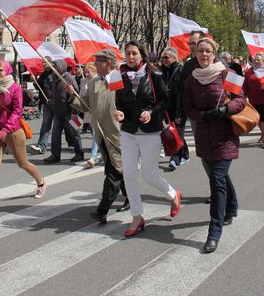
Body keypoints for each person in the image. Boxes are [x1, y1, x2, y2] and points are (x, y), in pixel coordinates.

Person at [114, 41, 182, 237]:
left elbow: (165, 100)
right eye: (127, 53)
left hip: (150, 132)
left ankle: (172, 194)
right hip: (128, 131)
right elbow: (120, 104)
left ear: (142, 55)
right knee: (128, 174)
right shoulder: (120, 76)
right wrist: (120, 114)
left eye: (134, 53)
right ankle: (137, 216)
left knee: (149, 174)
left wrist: (152, 112)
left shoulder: (155, 74)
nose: (131, 57)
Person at [183, 38, 244, 254]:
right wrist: (203, 116)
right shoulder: (191, 80)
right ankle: (233, 206)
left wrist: (225, 111)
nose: (204, 54)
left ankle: (214, 232)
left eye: (208, 51)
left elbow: (242, 100)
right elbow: (188, 108)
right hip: (203, 136)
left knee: (217, 181)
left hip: (225, 135)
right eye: (200, 51)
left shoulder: (226, 73)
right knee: (218, 176)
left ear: (214, 53)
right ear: (195, 53)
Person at [66, 49, 130, 223]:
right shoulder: (94, 81)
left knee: (113, 171)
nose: (95, 65)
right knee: (117, 167)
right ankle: (130, 197)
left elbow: (127, 105)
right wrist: (74, 94)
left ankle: (102, 210)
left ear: (108, 63)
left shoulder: (119, 79)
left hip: (117, 133)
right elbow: (86, 105)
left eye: (98, 62)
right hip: (101, 133)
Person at [0, 60, 47, 211]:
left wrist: (6, 129)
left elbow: (17, 111)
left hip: (14, 131)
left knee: (23, 163)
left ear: (7, 70)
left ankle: (41, 182)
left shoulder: (15, 88)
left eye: (0, 70)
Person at [43, 59, 84, 163]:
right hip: (58, 112)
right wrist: (51, 101)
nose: (53, 69)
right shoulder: (54, 78)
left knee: (75, 132)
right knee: (55, 134)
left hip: (71, 111)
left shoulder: (69, 78)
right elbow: (54, 94)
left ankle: (79, 154)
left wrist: (71, 92)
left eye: (55, 67)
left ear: (60, 67)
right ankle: (55, 155)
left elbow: (77, 94)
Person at [160, 46, 189, 170]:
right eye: (162, 58)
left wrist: (180, 112)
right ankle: (185, 154)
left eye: (166, 57)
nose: (164, 60)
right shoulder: (162, 72)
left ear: (174, 58)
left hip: (179, 109)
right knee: (176, 133)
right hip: (167, 108)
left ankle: (174, 159)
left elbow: (183, 93)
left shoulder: (180, 71)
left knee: (176, 133)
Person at [175, 30, 204, 133]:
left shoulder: (219, 63)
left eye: (194, 43)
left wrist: (227, 108)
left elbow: (236, 91)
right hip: (196, 113)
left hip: (218, 113)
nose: (191, 46)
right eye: (190, 43)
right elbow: (182, 89)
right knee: (201, 146)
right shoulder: (188, 65)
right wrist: (180, 112)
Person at [79, 63, 102, 167]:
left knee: (96, 134)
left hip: (98, 111)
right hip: (88, 110)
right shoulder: (83, 81)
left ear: (95, 71)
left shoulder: (99, 80)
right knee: (95, 134)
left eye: (88, 72)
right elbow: (81, 96)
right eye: (85, 72)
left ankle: (93, 157)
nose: (86, 74)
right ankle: (101, 153)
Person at [30, 57, 54, 155]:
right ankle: (41, 146)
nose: (43, 64)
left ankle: (74, 142)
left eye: (45, 62)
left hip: (57, 104)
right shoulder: (44, 74)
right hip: (46, 103)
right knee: (45, 125)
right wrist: (34, 80)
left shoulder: (55, 73)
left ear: (50, 62)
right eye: (42, 62)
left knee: (68, 125)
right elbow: (38, 87)